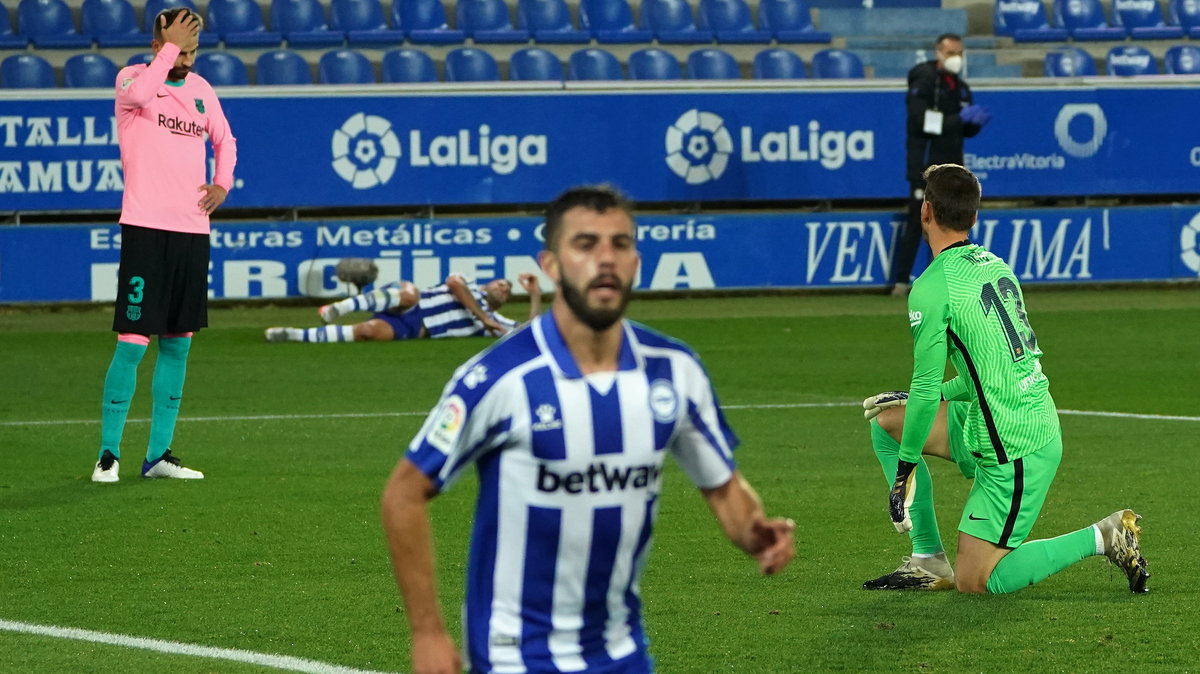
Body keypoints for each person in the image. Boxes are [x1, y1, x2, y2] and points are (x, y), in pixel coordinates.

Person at [380, 185, 796, 674]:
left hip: (621, 651)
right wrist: (428, 633)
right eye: (585, 244)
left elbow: (723, 486)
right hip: (515, 655)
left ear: (636, 262)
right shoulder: (500, 377)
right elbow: (403, 494)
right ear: (551, 265)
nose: (605, 258)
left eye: (619, 244)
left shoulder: (673, 369)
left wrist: (753, 532)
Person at [861, 164, 1149, 595]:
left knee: (978, 581)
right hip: (995, 417)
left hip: (1016, 448)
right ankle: (927, 560)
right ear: (974, 217)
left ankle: (1104, 536)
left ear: (925, 212)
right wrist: (935, 395)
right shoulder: (995, 266)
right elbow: (990, 371)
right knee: (889, 423)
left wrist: (904, 471)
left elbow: (925, 385)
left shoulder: (931, 288)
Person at [91, 8, 237, 483]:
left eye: (194, 51)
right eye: (180, 49)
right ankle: (108, 454)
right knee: (132, 343)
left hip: (192, 231)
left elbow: (226, 139)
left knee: (178, 344)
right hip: (146, 229)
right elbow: (140, 93)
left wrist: (222, 183)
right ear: (158, 46)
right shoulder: (133, 80)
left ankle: (157, 456)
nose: (188, 61)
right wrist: (169, 48)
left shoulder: (201, 90)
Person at [892, 33, 991, 297]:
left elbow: (960, 130)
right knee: (918, 220)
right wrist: (959, 119)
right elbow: (922, 121)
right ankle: (902, 281)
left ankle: (952, 277)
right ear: (938, 53)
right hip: (924, 165)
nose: (955, 58)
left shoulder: (960, 86)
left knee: (954, 222)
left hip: (953, 167)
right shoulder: (924, 79)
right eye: (950, 53)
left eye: (959, 53)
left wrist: (972, 125)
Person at [263, 273, 541, 343]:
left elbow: (529, 333)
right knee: (408, 295)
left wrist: (535, 295)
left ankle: (296, 335)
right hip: (413, 302)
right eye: (501, 284)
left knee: (368, 332)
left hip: (414, 328)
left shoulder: (495, 319)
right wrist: (482, 318)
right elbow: (453, 283)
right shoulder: (468, 284)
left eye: (506, 291)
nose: (503, 289)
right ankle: (340, 307)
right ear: (489, 283)